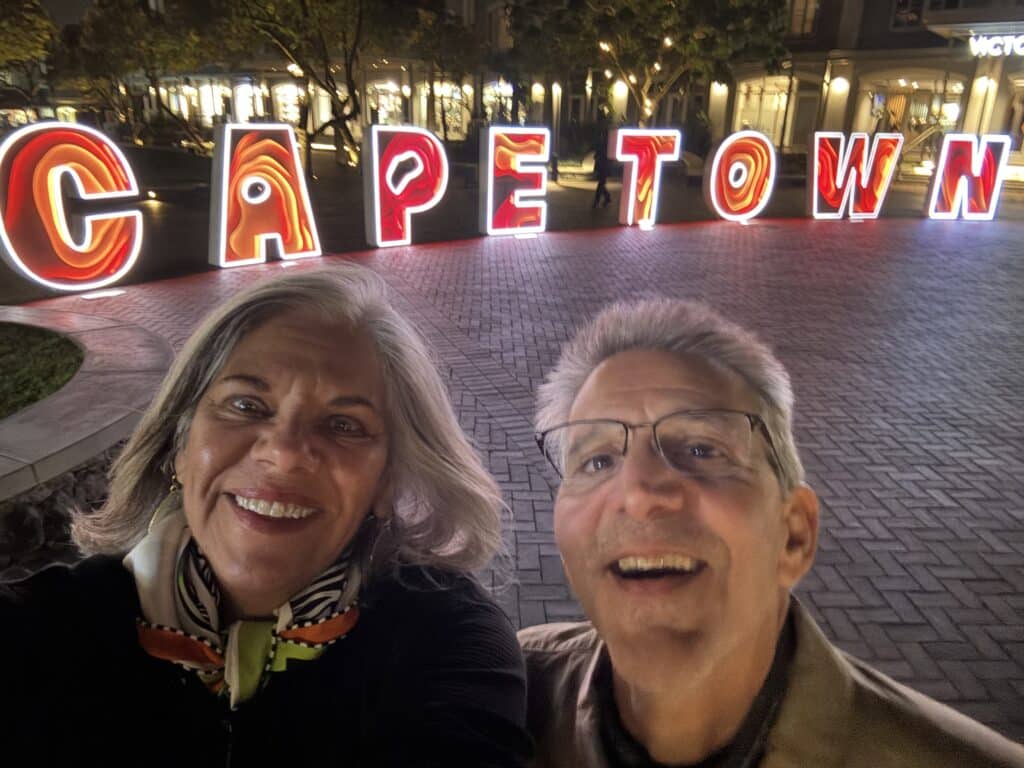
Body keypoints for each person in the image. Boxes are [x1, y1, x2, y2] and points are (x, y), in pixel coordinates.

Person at [1, 266, 532, 766]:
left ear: (385, 483)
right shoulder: (49, 627)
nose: (284, 454)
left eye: (344, 425)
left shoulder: (449, 644)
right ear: (179, 446)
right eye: (246, 406)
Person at [520, 298, 1024, 768]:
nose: (638, 491)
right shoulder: (506, 696)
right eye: (598, 459)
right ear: (568, 551)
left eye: (701, 448)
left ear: (794, 536)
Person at [593, 137, 612, 209]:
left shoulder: (603, 146)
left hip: (603, 167)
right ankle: (607, 197)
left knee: (600, 184)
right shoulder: (604, 146)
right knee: (601, 184)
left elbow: (597, 156)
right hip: (602, 167)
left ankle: (597, 201)